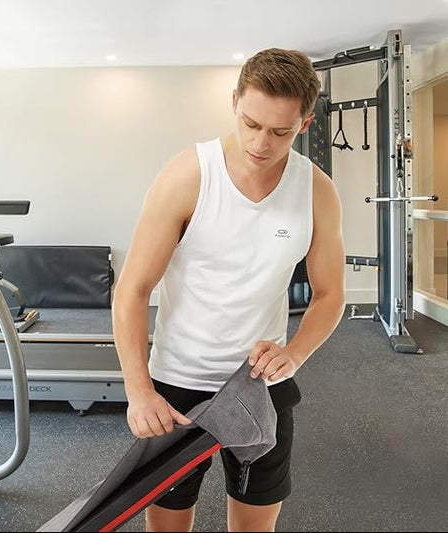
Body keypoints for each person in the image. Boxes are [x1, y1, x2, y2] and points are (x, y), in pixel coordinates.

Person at [112, 47, 346, 532]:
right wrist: (138, 391)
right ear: (234, 101)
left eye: (280, 132)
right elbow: (132, 289)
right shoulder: (188, 176)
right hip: (177, 386)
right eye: (250, 123)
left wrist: (295, 353)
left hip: (259, 386)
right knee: (168, 525)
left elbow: (330, 294)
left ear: (304, 125)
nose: (260, 142)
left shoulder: (316, 190)